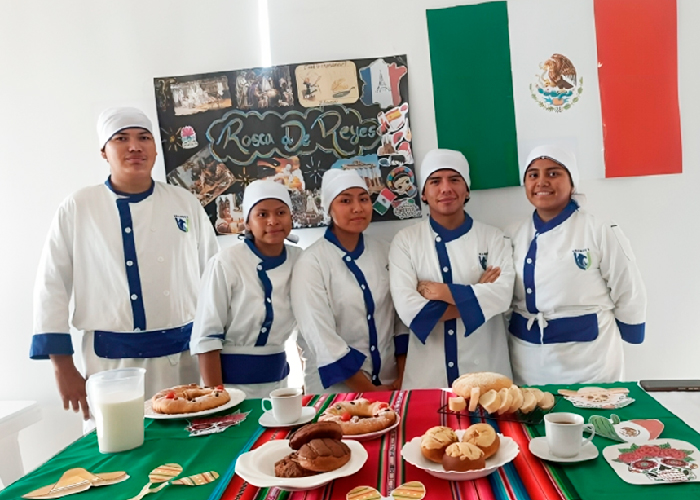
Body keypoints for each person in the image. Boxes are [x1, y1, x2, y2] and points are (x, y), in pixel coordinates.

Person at [30, 107, 219, 419]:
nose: (135, 146)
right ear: (104, 151)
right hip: (110, 366)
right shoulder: (79, 207)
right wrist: (62, 365)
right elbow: (52, 284)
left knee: (186, 453)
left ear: (155, 149)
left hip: (182, 362)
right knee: (115, 457)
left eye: (144, 138)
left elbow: (213, 279)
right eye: (121, 139)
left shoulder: (184, 203)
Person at [506, 145, 647, 385]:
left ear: (572, 183)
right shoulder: (512, 234)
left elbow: (628, 288)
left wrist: (633, 331)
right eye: (533, 175)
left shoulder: (599, 229)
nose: (542, 181)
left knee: (593, 418)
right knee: (533, 417)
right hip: (528, 357)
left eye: (553, 173)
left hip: (589, 359)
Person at [389, 149, 513, 390]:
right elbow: (411, 311)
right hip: (427, 379)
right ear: (423, 194)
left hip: (486, 373)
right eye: (435, 181)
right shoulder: (405, 242)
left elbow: (502, 296)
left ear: (466, 189)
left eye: (454, 179)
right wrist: (477, 293)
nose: (445, 188)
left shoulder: (493, 237)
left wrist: (442, 291)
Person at [292, 169, 408, 394]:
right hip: (338, 391)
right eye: (345, 200)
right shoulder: (312, 263)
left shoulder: (386, 251)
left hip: (391, 382)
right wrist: (370, 391)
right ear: (329, 208)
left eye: (363, 199)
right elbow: (321, 336)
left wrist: (403, 374)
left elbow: (399, 319)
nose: (358, 208)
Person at [191, 180, 301, 399]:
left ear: (291, 218)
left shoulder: (301, 260)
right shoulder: (226, 262)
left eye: (281, 212)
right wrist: (216, 398)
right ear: (247, 223)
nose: (273, 221)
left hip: (279, 385)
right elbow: (206, 338)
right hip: (227, 386)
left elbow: (308, 327)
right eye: (262, 214)